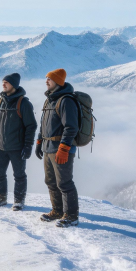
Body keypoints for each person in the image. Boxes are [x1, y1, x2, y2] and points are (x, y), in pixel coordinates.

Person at [0, 72, 37, 211]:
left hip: (17, 147)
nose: (3, 84)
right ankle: (1, 198)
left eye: (6, 82)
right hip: (0, 146)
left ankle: (19, 201)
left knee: (19, 175)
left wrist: (28, 146)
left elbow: (31, 126)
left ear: (14, 85)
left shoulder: (24, 103)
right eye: (3, 82)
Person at [35, 68, 80, 227]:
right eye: (46, 78)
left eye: (49, 79)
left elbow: (71, 127)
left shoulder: (66, 101)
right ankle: (58, 210)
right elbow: (44, 124)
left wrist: (64, 148)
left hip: (61, 148)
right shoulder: (49, 100)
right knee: (51, 182)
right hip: (48, 147)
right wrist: (39, 141)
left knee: (64, 182)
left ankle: (71, 216)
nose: (46, 81)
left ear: (58, 82)